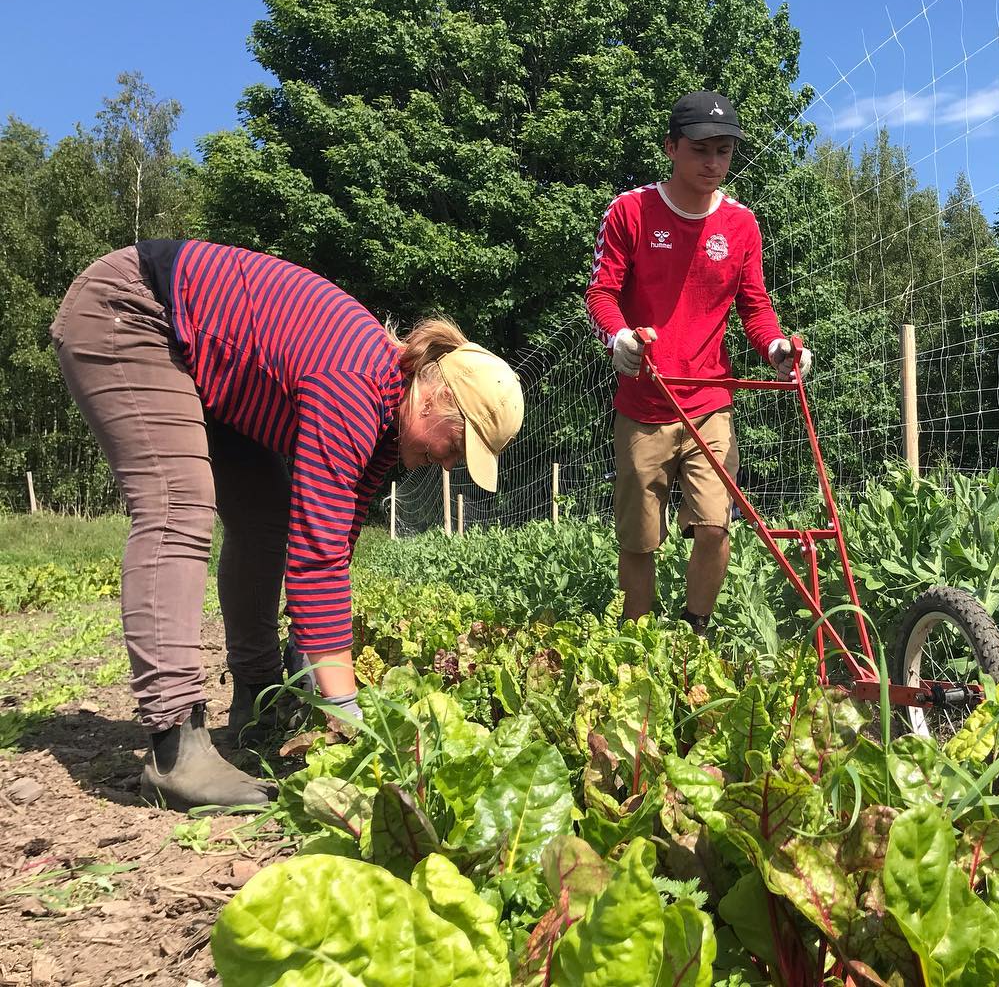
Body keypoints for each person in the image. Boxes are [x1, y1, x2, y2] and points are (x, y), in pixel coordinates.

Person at [50, 240, 524, 811]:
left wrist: (311, 670)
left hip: (202, 361)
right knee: (179, 505)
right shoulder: (354, 382)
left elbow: (333, 535)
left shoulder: (386, 423)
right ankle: (175, 746)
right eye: (458, 445)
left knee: (265, 519)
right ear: (437, 396)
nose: (451, 464)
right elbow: (316, 558)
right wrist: (345, 711)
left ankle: (257, 698)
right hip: (134, 311)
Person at [585, 90, 812, 635]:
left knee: (714, 525)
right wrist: (617, 337)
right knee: (640, 539)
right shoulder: (631, 211)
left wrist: (778, 348)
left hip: (710, 399)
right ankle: (635, 642)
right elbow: (601, 292)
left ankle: (695, 632)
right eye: (701, 149)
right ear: (671, 147)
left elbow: (755, 307)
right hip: (644, 402)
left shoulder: (741, 225)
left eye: (725, 151)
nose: (714, 163)